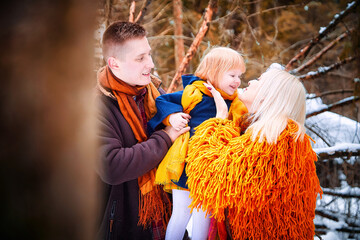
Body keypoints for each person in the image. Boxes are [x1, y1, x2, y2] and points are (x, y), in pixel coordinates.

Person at [185, 68, 323, 239]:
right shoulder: (274, 135)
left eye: (259, 79)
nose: (250, 81)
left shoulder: (276, 138)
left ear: (269, 96)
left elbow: (209, 177)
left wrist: (219, 120)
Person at [96, 21, 189, 240]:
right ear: (114, 64)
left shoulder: (156, 93)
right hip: (124, 226)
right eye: (140, 58)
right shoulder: (97, 107)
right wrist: (166, 136)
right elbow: (112, 165)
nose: (151, 63)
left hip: (168, 217)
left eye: (149, 54)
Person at [148, 47, 247, 240]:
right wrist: (173, 117)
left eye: (240, 76)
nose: (237, 81)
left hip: (211, 169)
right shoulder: (195, 93)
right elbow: (163, 101)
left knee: (204, 216)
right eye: (232, 75)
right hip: (185, 164)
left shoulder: (234, 103)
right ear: (214, 73)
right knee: (181, 214)